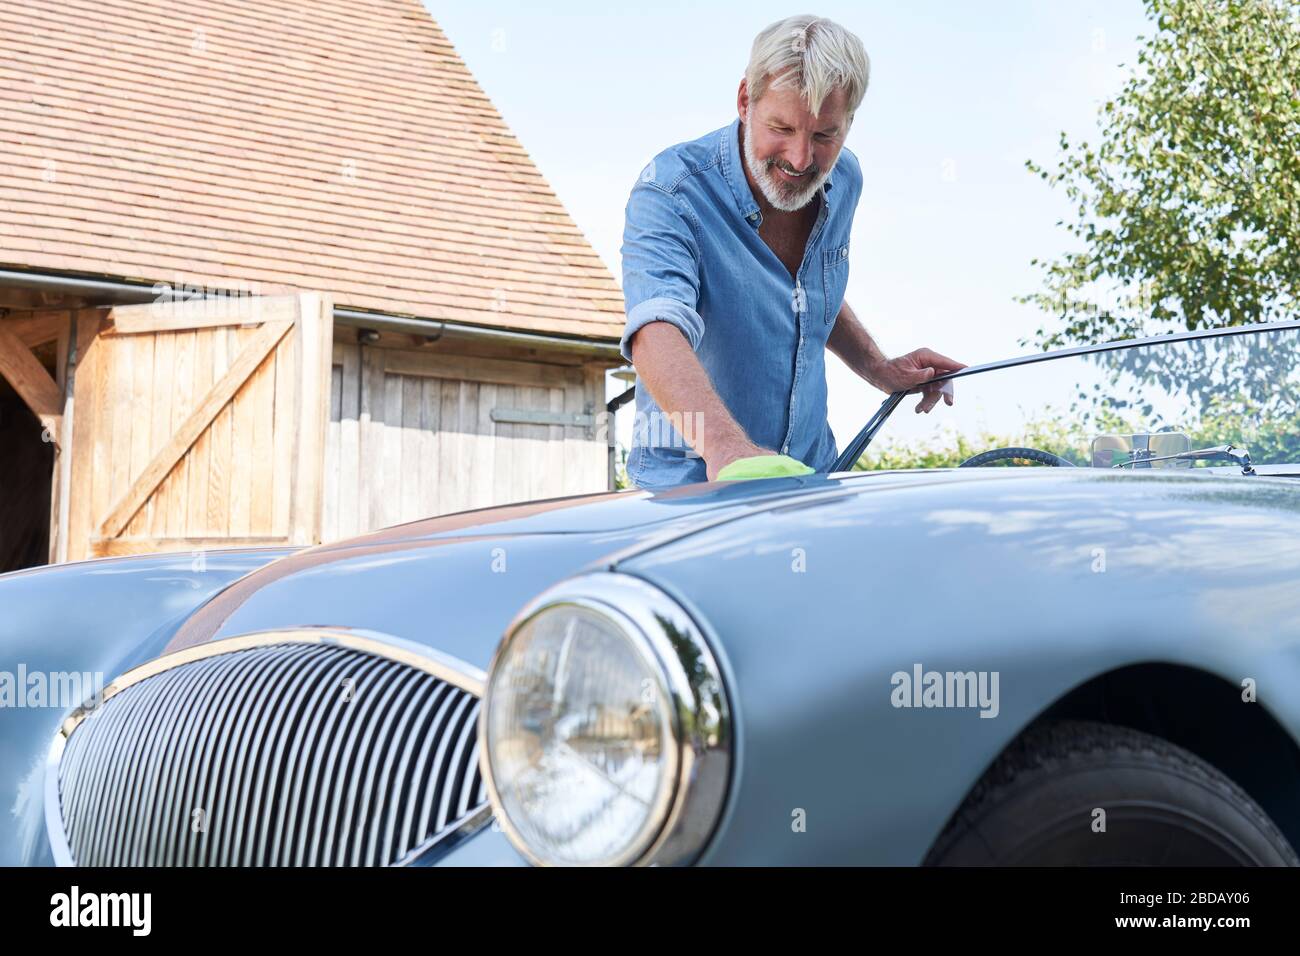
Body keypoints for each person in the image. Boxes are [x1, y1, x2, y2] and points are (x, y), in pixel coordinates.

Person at [620, 14, 965, 489]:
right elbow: (655, 330)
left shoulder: (844, 180)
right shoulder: (671, 190)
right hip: (691, 490)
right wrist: (726, 449)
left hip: (809, 478)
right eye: (781, 127)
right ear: (745, 100)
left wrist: (878, 368)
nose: (801, 159)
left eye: (824, 135)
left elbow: (807, 285)